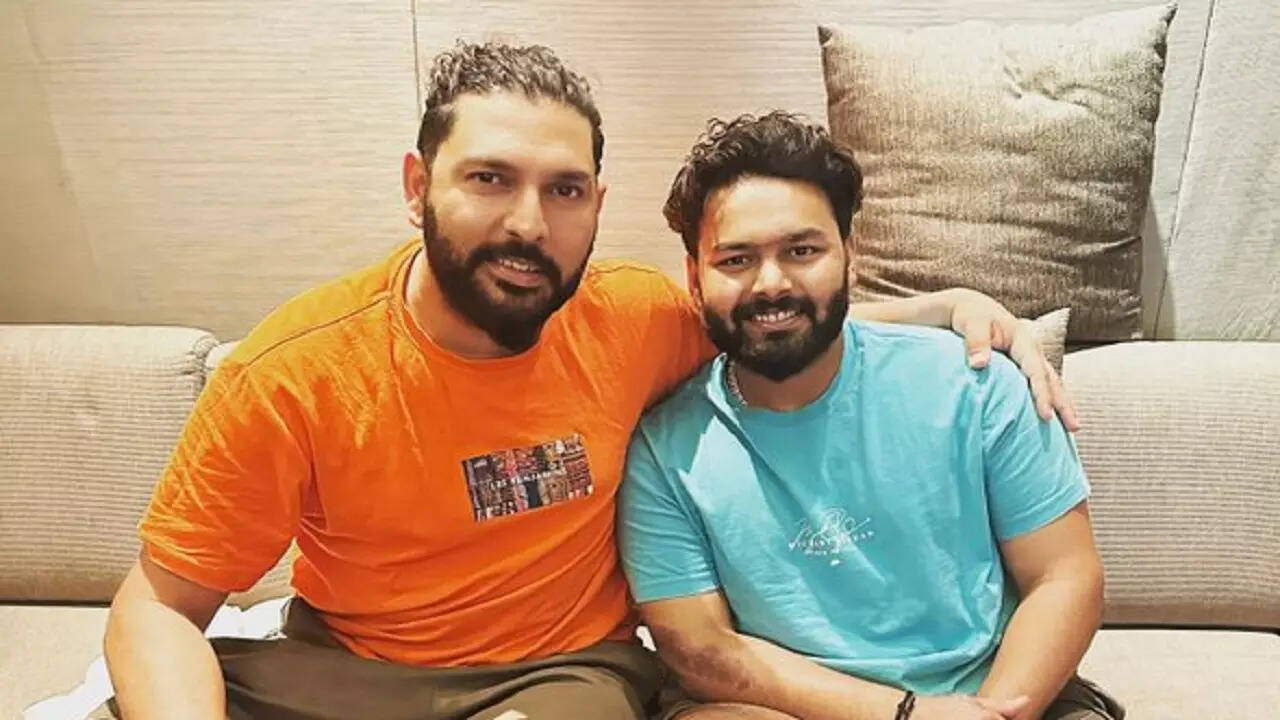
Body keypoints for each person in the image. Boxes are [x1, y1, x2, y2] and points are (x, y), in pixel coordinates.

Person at [103, 43, 1073, 720]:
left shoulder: (630, 317)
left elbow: (772, 316)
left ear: (597, 204)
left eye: (563, 190)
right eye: (489, 179)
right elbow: (156, 608)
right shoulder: (293, 374)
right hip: (348, 672)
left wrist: (948, 307)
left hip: (559, 676)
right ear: (417, 187)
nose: (529, 224)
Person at [619, 112, 1117, 720]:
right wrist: (907, 714)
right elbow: (701, 651)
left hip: (996, 694)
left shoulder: (975, 382)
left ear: (848, 256)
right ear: (695, 278)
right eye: (736, 260)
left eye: (802, 251)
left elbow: (1064, 576)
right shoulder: (666, 450)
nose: (771, 284)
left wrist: (989, 713)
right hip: (785, 709)